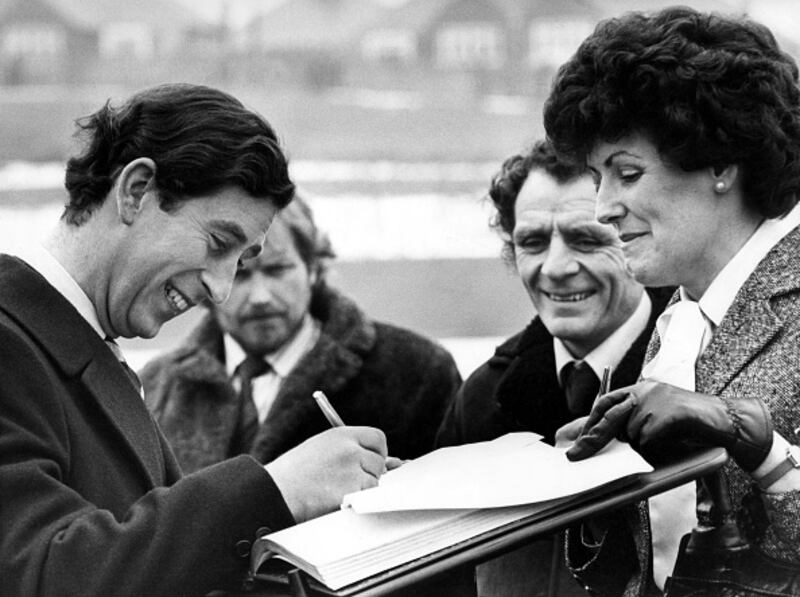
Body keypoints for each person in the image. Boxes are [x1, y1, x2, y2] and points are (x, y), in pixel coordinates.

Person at [0, 83, 391, 597]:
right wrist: (278, 489)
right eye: (218, 242)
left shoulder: (82, 350)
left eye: (241, 261)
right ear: (136, 190)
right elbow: (39, 574)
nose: (221, 289)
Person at [544, 6, 800, 595]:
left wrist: (765, 451)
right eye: (597, 178)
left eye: (627, 173)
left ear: (720, 163)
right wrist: (596, 489)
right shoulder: (680, 318)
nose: (603, 207)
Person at [435, 139, 672, 597]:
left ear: (636, 238)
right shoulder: (483, 395)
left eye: (587, 239)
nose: (556, 267)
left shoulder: (695, 366)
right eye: (532, 242)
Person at [141, 193, 462, 473]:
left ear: (312, 268)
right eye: (240, 274)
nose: (260, 297)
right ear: (207, 278)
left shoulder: (417, 371)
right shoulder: (157, 387)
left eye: (278, 270)